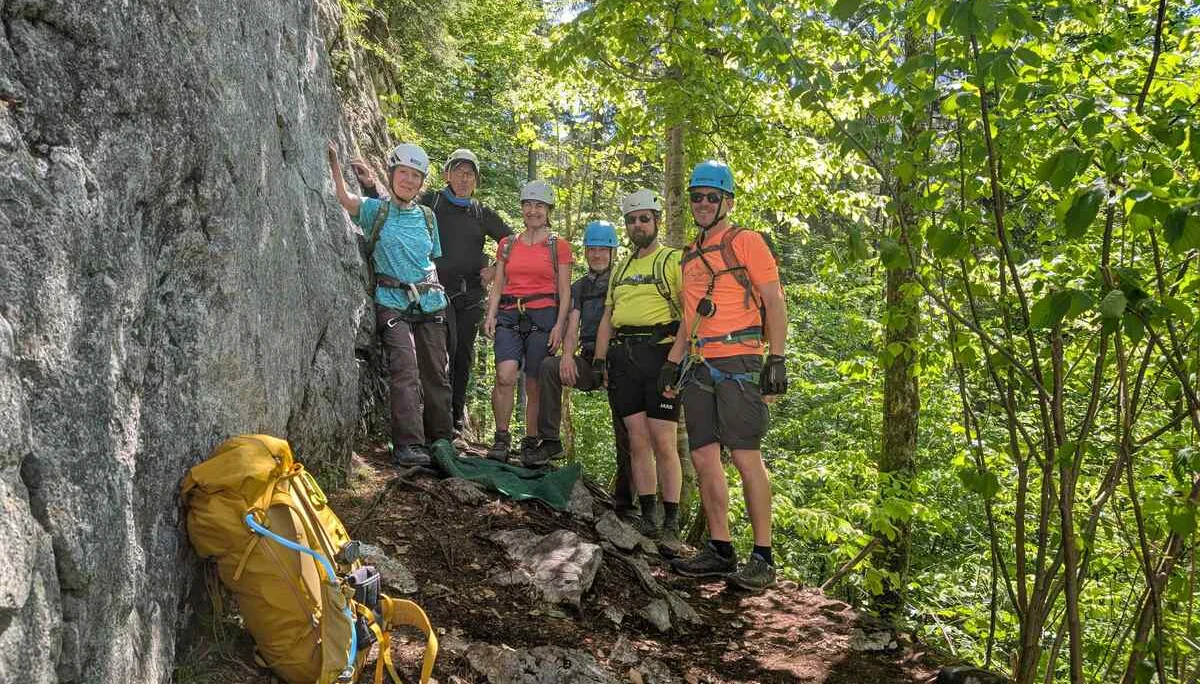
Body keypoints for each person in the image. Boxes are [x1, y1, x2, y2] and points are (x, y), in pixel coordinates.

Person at [661, 160, 788, 591]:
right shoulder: (690, 255)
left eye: (711, 197)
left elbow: (773, 299)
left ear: (727, 202)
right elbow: (688, 318)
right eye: (696, 197)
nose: (702, 204)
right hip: (698, 363)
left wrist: (777, 359)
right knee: (702, 456)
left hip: (740, 361)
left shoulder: (746, 242)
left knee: (745, 457)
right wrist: (673, 362)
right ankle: (720, 547)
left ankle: (763, 556)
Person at [354, 149, 512, 436]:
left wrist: (495, 270)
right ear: (446, 175)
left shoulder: (481, 213)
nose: (464, 179)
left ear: (476, 180)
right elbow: (394, 210)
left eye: (470, 174)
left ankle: (453, 422)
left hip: (470, 297)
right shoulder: (432, 203)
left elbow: (513, 241)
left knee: (462, 357)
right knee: (441, 358)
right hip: (433, 294)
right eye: (459, 172)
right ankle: (431, 425)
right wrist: (370, 187)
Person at [328, 141, 453, 466]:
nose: (409, 181)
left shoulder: (427, 217)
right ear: (392, 174)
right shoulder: (375, 210)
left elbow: (429, 258)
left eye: (415, 176)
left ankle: (441, 440)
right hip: (392, 301)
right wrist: (333, 162)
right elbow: (344, 199)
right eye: (403, 173)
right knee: (405, 370)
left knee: (437, 374)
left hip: (431, 302)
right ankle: (408, 447)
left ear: (421, 182)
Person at [593, 189, 685, 556]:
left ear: (656, 221)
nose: (637, 225)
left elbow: (689, 313)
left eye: (644, 219)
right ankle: (647, 515)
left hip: (661, 354)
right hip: (624, 358)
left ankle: (671, 522)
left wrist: (675, 363)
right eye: (632, 220)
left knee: (664, 439)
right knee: (637, 440)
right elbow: (607, 318)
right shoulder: (622, 268)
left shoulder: (671, 261)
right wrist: (600, 361)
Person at [526, 221, 633, 483]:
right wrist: (565, 356)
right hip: (587, 360)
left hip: (619, 361)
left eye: (602, 250)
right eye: (591, 249)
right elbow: (572, 326)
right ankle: (550, 441)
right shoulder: (580, 287)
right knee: (549, 367)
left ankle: (627, 498)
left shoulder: (623, 282)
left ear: (612, 252)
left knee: (627, 428)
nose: (596, 255)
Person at [482, 180, 572, 462]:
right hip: (509, 313)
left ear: (548, 211)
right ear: (522, 208)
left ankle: (530, 442)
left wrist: (559, 325)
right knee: (505, 375)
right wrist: (491, 313)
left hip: (543, 315)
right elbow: (498, 283)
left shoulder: (559, 247)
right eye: (529, 205)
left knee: (534, 383)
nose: (533, 211)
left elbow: (566, 291)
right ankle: (501, 438)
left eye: (540, 206)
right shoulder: (507, 245)